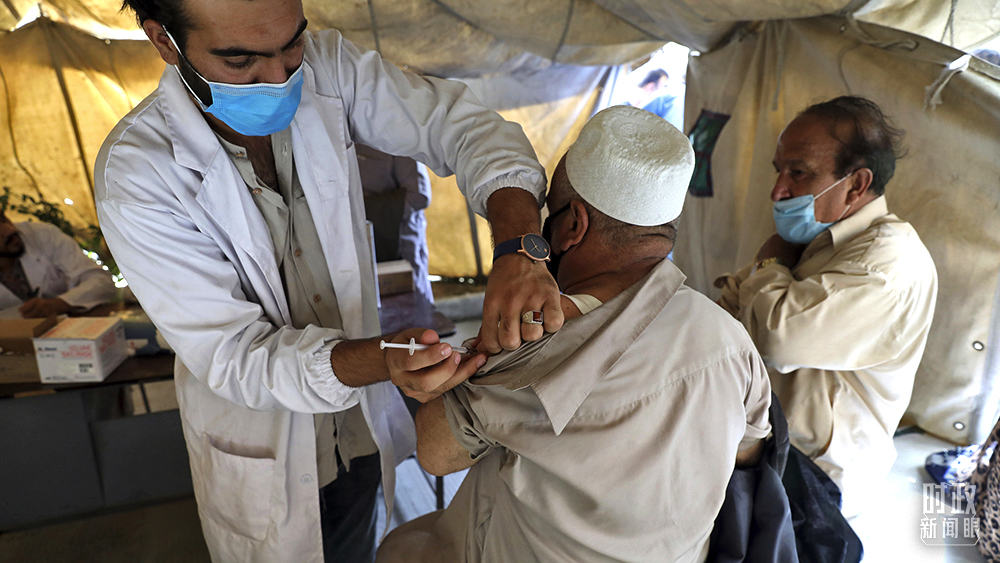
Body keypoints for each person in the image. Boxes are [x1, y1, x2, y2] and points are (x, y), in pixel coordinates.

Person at [95, 1, 562, 561]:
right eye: (240, 60)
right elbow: (237, 355)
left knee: (358, 537)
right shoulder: (138, 172)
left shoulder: (328, 67)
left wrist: (518, 249)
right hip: (263, 450)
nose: (278, 78)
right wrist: (384, 360)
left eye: (292, 44)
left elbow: (464, 127)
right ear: (164, 41)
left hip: (357, 430)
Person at [376, 105, 773, 563]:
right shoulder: (731, 342)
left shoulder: (534, 341)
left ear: (572, 225)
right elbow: (748, 450)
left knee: (398, 549)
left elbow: (433, 452)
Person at [715, 96, 938, 518]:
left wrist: (771, 262)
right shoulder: (820, 237)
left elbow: (779, 339)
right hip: (770, 451)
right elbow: (730, 306)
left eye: (798, 173)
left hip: (815, 478)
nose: (778, 191)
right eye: (779, 170)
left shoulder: (885, 263)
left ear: (856, 184)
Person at [0, 209, 116, 318]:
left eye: (3, 218)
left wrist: (60, 304)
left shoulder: (43, 235)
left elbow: (102, 281)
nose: (10, 230)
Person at [356, 144, 434, 302]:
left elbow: (419, 196)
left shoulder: (398, 139)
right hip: (357, 246)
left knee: (411, 306)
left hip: (401, 247)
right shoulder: (336, 139)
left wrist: (359, 211)